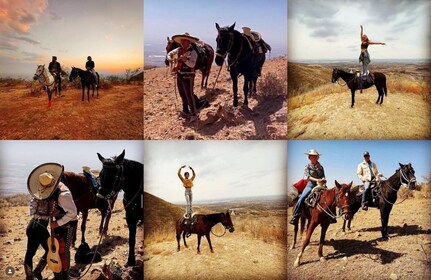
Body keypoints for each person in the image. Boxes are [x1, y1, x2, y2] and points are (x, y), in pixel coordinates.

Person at [27, 162, 78, 280]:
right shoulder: (53, 192)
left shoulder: (63, 194)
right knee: (55, 248)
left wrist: (57, 223)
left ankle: (64, 276)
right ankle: (54, 273)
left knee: (64, 250)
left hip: (68, 224)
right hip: (56, 222)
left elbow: (73, 213)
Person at [167, 33, 206, 120]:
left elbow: (192, 65)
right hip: (180, 74)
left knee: (189, 95)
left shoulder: (193, 52)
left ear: (188, 42)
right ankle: (185, 110)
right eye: (182, 41)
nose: (182, 43)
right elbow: (170, 53)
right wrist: (170, 58)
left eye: (184, 41)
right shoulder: (178, 49)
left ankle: (193, 113)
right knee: (182, 94)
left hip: (189, 76)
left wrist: (185, 60)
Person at [289, 149, 327, 225]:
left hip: (321, 184)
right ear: (309, 157)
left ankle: (330, 217)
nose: (314, 157)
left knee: (330, 196)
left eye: (315, 156)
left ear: (317, 157)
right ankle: (295, 216)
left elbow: (323, 176)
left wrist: (323, 180)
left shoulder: (321, 167)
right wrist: (317, 180)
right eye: (312, 156)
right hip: (311, 184)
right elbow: (309, 177)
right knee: (302, 197)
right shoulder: (307, 166)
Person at [178, 165, 196, 237]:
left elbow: (194, 175)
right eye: (186, 174)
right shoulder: (183, 180)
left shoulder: (191, 179)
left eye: (188, 174)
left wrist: (192, 169)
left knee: (191, 203)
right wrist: (181, 168)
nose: (187, 175)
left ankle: (191, 213)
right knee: (188, 203)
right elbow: (178, 174)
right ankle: (187, 214)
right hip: (186, 191)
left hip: (191, 191)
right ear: (184, 175)